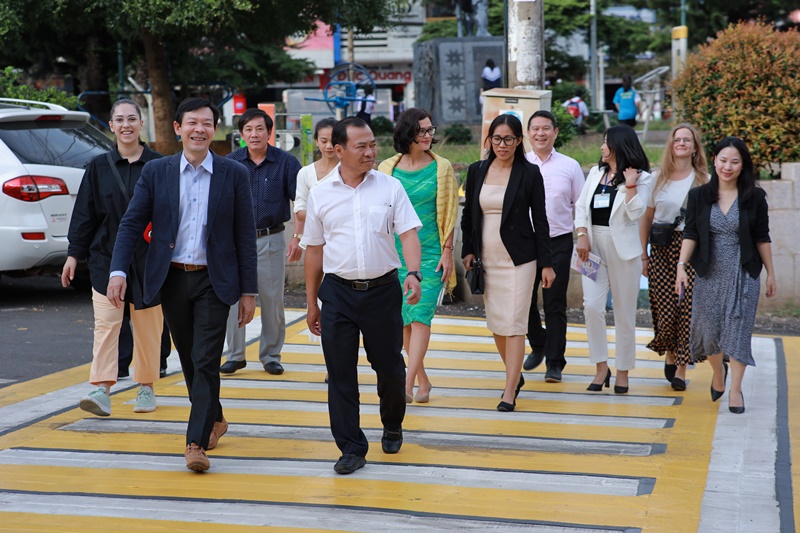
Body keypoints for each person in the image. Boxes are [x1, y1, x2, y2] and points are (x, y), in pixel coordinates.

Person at [107, 97, 257, 471]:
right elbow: (130, 223)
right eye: (192, 123)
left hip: (214, 280)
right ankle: (216, 418)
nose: (199, 130)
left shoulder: (233, 174)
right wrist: (118, 271)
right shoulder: (157, 172)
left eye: (207, 123)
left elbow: (244, 237)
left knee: (206, 359)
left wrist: (248, 292)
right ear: (178, 128)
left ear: (215, 130)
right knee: (190, 359)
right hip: (171, 277)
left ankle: (195, 442)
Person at [302, 117, 422, 475]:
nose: (371, 152)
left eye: (373, 145)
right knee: (339, 372)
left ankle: (392, 422)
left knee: (388, 367)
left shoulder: (389, 188)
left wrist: (413, 273)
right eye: (362, 146)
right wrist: (311, 303)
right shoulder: (320, 194)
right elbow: (314, 251)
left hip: (383, 291)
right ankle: (351, 446)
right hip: (337, 294)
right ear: (338, 150)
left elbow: (409, 235)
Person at [62, 98, 164, 417]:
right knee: (106, 325)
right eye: (119, 120)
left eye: (132, 119)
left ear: (141, 124)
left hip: (149, 261)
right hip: (106, 259)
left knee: (148, 327)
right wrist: (73, 255)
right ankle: (102, 389)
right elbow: (85, 215)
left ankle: (146, 387)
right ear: (111, 126)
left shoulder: (160, 166)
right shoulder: (98, 167)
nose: (126, 125)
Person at [675, 136, 776, 414]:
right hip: (708, 271)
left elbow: (762, 237)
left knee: (739, 331)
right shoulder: (698, 196)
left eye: (734, 162)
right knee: (709, 334)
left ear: (743, 166)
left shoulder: (754, 197)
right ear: (714, 161)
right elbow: (691, 233)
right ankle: (719, 374)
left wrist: (770, 273)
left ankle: (735, 390)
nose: (727, 167)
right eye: (723, 160)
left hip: (744, 271)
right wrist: (681, 266)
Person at [461, 114, 555, 412]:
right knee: (497, 324)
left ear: (518, 141)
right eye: (497, 139)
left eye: (509, 139)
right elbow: (467, 217)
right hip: (486, 259)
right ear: (489, 140)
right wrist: (468, 250)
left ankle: (510, 389)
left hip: (520, 260)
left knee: (514, 324)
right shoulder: (476, 171)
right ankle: (515, 375)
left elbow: (540, 222)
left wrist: (547, 264)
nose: (503, 145)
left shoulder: (529, 173)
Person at [378, 108, 459, 404]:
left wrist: (448, 252)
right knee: (402, 321)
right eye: (422, 131)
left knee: (421, 316)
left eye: (430, 130)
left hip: (431, 253)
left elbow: (450, 212)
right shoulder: (387, 167)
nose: (428, 136)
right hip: (395, 252)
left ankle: (406, 383)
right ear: (407, 133)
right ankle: (424, 382)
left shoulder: (442, 167)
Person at [220, 108, 301, 376]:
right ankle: (235, 355)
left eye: (259, 129)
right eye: (248, 130)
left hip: (272, 237)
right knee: (233, 299)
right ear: (241, 134)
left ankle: (270, 355)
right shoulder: (229, 163)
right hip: (234, 240)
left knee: (272, 299)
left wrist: (298, 237)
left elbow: (300, 203)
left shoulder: (286, 163)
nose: (254, 134)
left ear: (269, 132)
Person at [574, 125, 653, 394]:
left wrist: (630, 184)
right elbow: (582, 205)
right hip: (592, 247)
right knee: (592, 308)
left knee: (624, 314)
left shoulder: (642, 179)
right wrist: (582, 234)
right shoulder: (596, 173)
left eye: (606, 142)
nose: (601, 147)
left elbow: (635, 215)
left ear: (619, 145)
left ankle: (622, 372)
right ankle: (600, 367)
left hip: (624, 251)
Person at [639, 124, 708, 391]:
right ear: (671, 145)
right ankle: (670, 350)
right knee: (663, 308)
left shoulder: (704, 179)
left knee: (686, 308)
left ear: (694, 147)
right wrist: (643, 256)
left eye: (686, 140)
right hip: (660, 248)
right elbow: (646, 218)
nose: (681, 143)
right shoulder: (657, 178)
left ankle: (680, 366)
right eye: (677, 139)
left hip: (690, 249)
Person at [522, 110, 585, 383]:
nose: (540, 133)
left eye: (546, 128)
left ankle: (555, 361)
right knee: (523, 301)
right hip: (525, 242)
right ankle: (539, 342)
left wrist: (582, 235)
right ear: (528, 134)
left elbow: (580, 206)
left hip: (558, 241)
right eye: (535, 128)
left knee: (554, 303)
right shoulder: (520, 163)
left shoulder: (570, 166)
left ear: (555, 132)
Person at [295, 117, 339, 384]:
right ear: (317, 142)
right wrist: (318, 217)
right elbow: (298, 209)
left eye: (334, 140)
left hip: (339, 246)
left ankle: (338, 362)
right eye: (324, 141)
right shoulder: (306, 173)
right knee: (319, 303)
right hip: (314, 245)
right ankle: (331, 362)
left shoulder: (350, 170)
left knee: (337, 305)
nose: (329, 146)